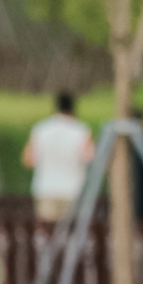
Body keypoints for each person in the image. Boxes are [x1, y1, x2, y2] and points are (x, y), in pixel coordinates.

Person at [24, 90, 93, 225]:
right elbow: (89, 157)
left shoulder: (40, 129)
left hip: (46, 189)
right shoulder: (81, 130)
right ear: (73, 108)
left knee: (48, 231)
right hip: (73, 190)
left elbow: (29, 159)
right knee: (71, 231)